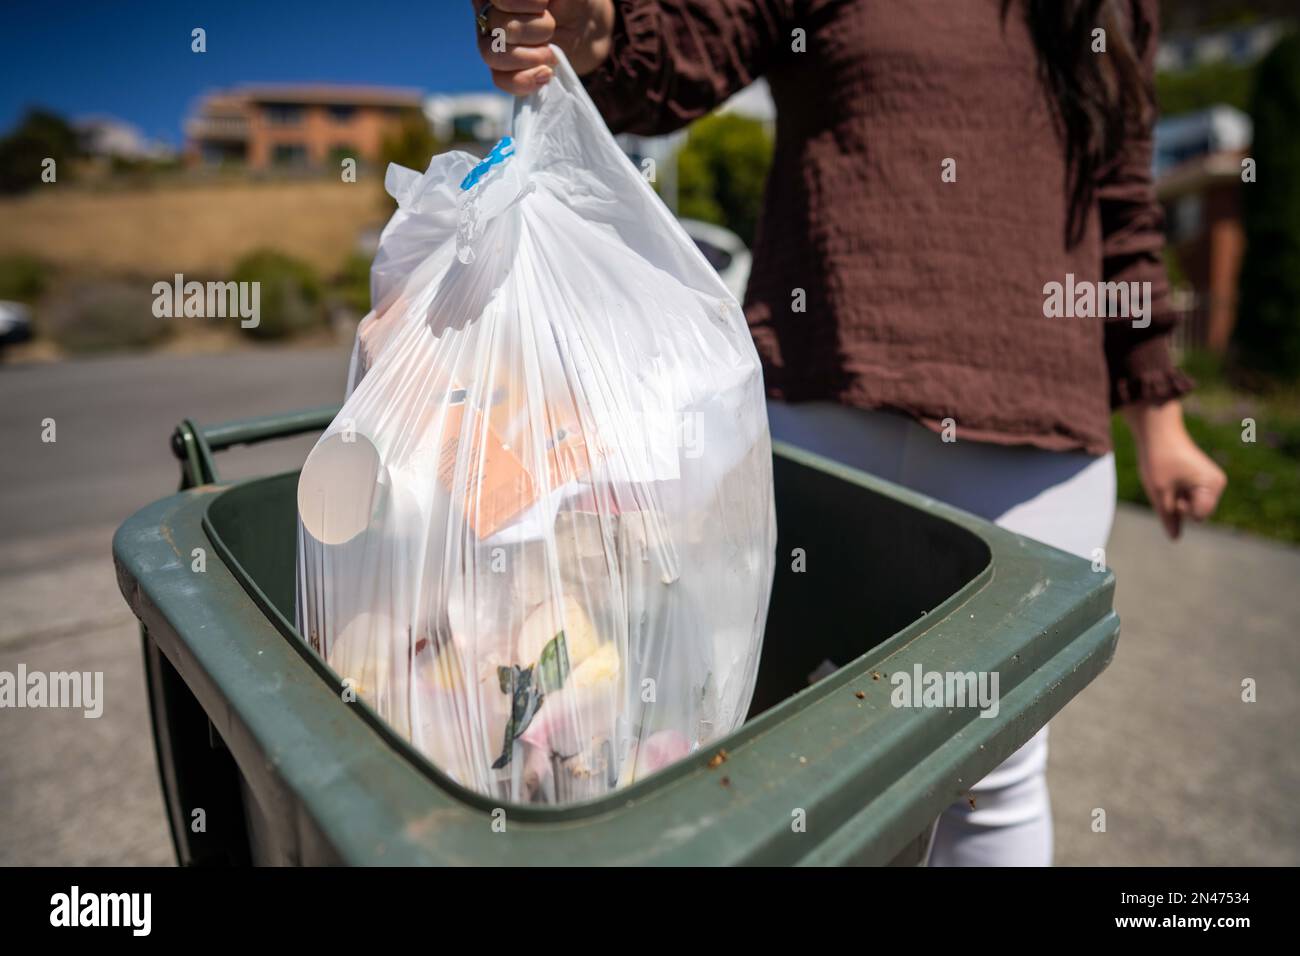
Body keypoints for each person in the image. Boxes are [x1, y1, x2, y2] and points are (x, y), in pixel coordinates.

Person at [470, 0, 1228, 865]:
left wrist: (1160, 420)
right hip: (822, 409)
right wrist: (595, 34)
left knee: (994, 771)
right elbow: (690, 45)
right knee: (779, 754)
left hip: (1037, 445)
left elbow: (1124, 212)